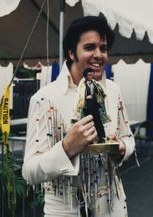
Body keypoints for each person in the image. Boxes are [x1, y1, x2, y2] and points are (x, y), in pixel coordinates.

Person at [22, 15, 136, 217]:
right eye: (90, 47)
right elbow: (29, 172)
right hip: (65, 210)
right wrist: (66, 148)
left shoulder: (113, 90)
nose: (99, 54)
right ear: (71, 53)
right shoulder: (45, 98)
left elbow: (128, 137)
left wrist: (122, 148)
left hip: (112, 206)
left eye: (103, 48)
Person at [73, 67, 110, 143]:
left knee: (98, 122)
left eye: (92, 75)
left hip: (95, 106)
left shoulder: (95, 84)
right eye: (89, 75)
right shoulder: (82, 86)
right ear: (86, 76)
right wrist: (86, 97)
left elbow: (99, 92)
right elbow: (79, 96)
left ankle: (102, 137)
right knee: (87, 124)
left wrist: (102, 95)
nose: (91, 76)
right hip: (87, 107)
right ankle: (88, 140)